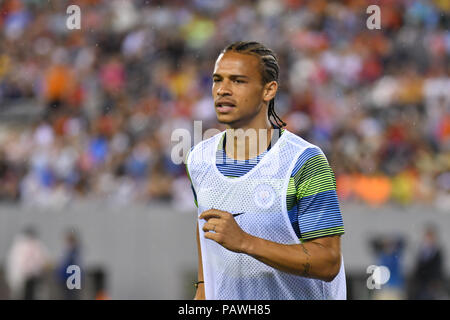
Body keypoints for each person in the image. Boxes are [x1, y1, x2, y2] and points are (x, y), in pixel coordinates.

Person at [185, 41, 346, 300]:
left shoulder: (303, 161)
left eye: (238, 81)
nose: (223, 90)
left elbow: (328, 262)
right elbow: (207, 231)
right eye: (218, 80)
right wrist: (202, 292)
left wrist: (246, 242)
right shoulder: (198, 159)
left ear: (268, 90)